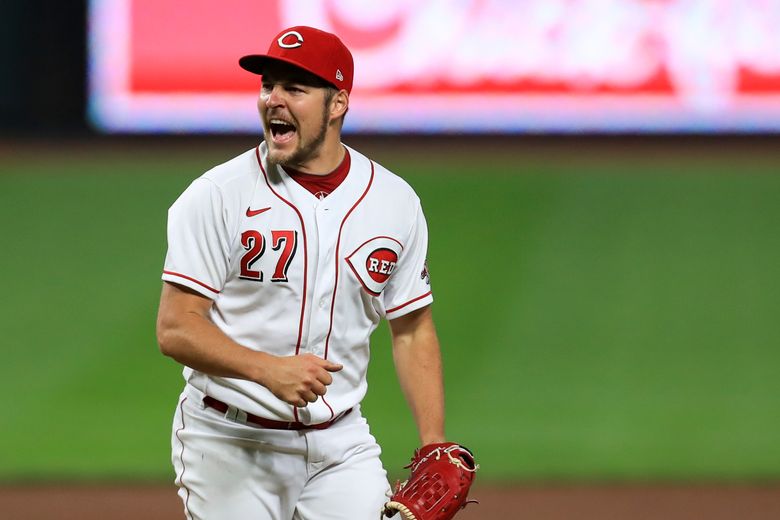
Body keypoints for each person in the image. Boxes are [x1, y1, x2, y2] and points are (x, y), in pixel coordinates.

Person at [156, 25, 446, 519]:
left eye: (295, 88)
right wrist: (267, 369)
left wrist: (433, 445)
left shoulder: (394, 201)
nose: (274, 100)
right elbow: (176, 327)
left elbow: (412, 328)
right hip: (229, 439)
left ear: (338, 104)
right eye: (268, 85)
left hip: (342, 445)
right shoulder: (216, 194)